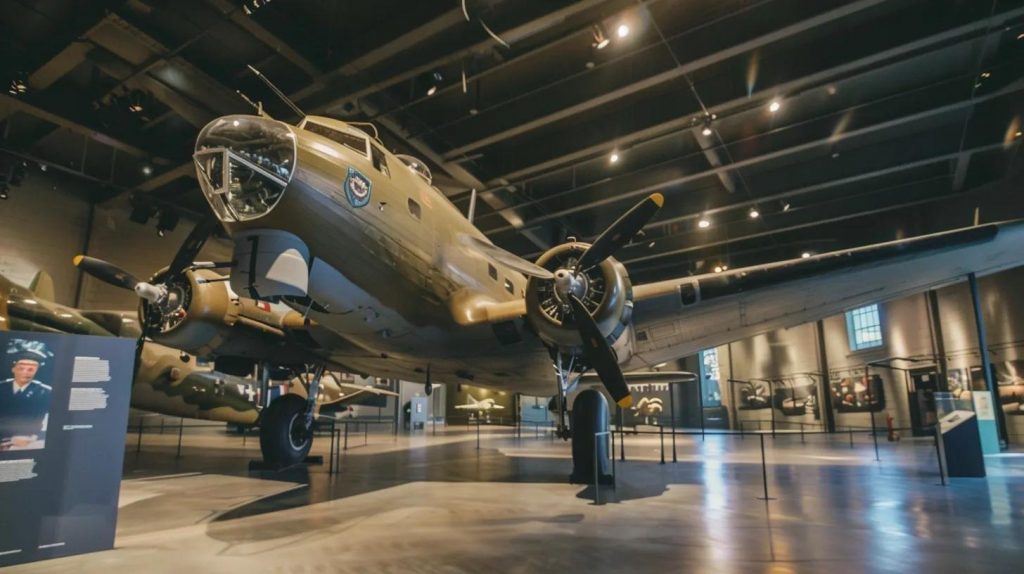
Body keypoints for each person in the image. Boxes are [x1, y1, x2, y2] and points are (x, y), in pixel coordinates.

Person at [0, 347, 52, 450]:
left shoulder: (45, 392)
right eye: (21, 368)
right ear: (13, 369)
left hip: (27, 442)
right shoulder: (1, 387)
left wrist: (33, 438)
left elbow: (48, 422)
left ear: (36, 371)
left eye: (31, 369)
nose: (25, 372)